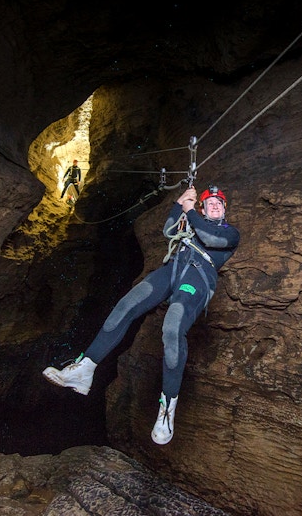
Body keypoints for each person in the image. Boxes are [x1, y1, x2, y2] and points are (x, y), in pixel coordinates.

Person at [42, 184, 240, 445]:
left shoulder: (229, 233)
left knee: (172, 327)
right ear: (203, 208)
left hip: (197, 277)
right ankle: (85, 369)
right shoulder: (191, 223)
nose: (214, 205)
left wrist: (191, 210)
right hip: (172, 270)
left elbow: (210, 239)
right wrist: (179, 203)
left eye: (219, 203)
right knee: (127, 304)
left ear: (224, 209)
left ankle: (167, 407)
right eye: (209, 202)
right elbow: (169, 229)